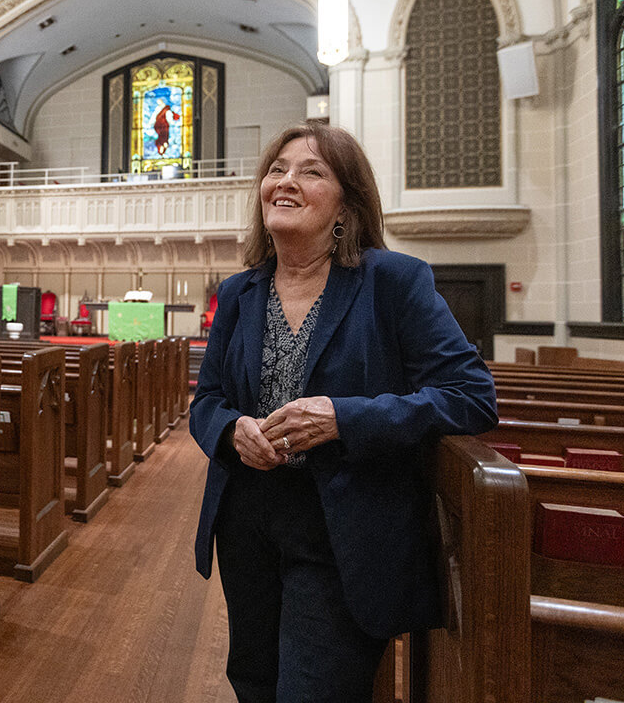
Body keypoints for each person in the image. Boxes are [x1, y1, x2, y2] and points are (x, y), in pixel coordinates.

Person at [190, 122, 497, 702]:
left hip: (342, 528)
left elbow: (470, 395)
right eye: (277, 169)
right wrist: (233, 431)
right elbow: (206, 401)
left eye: (310, 171)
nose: (286, 181)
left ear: (346, 204)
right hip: (247, 523)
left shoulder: (392, 281)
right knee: (253, 683)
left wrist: (344, 419)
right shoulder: (238, 292)